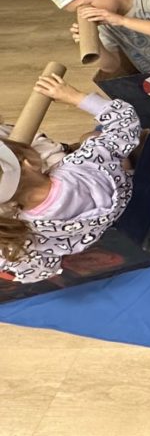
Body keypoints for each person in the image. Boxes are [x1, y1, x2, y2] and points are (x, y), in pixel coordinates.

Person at [0, 73, 140, 283]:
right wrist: (74, 96)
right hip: (131, 197)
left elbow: (40, 271)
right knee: (92, 138)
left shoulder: (24, 231)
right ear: (31, 161)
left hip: (102, 239)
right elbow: (125, 120)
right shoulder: (86, 161)